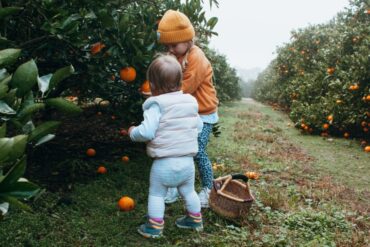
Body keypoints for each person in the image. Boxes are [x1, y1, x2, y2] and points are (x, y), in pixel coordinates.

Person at [128, 54, 204, 238]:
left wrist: (132, 132)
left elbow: (146, 132)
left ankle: (154, 227)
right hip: (187, 162)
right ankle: (195, 220)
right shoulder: (190, 102)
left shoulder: (156, 105)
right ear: (180, 82)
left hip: (164, 164)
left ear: (152, 85)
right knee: (189, 191)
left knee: (156, 194)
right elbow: (199, 127)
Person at [157, 10, 219, 208]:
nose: (171, 49)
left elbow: (187, 86)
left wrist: (159, 96)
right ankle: (174, 187)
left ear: (186, 39)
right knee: (177, 149)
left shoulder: (196, 57)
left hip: (203, 113)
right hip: (186, 112)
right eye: (168, 46)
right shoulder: (175, 55)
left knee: (198, 150)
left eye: (174, 45)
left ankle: (209, 190)